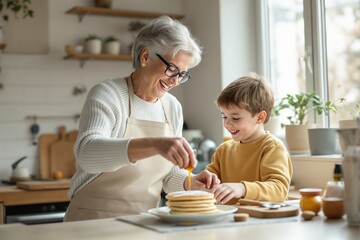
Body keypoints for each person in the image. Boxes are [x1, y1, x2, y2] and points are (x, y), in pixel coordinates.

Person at [64, 16, 219, 221]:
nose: (175, 81)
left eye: (182, 74)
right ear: (146, 56)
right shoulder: (108, 94)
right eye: (172, 69)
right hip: (92, 220)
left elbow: (169, 176)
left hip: (145, 222)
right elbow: (87, 153)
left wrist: (191, 182)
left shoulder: (172, 107)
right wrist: (154, 144)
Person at [207, 72, 293, 205]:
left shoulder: (272, 148)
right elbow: (207, 185)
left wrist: (242, 188)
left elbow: (279, 190)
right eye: (224, 116)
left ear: (260, 117)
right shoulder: (223, 151)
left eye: (235, 118)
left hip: (264, 222)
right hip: (230, 222)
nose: (227, 123)